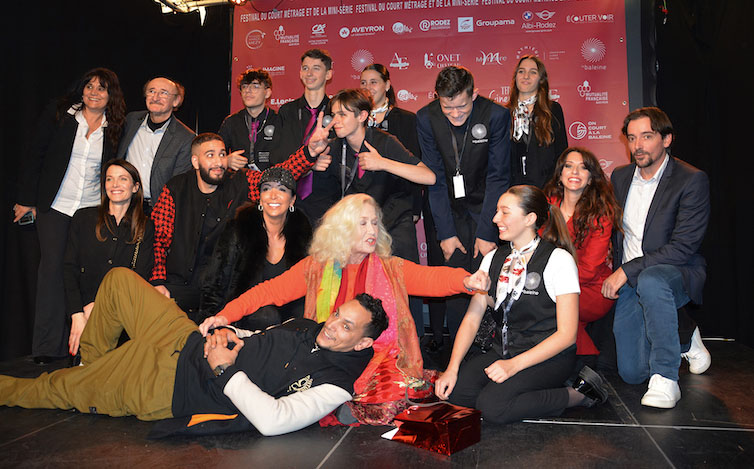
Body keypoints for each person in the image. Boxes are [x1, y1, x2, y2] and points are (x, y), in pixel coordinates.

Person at [199, 194, 490, 425]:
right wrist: (226, 315)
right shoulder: (316, 267)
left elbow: (430, 279)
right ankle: (342, 401)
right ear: (343, 228)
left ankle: (343, 401)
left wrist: (465, 280)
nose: (372, 230)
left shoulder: (390, 268)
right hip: (325, 353)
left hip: (376, 355)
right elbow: (269, 291)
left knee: (398, 389)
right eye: (362, 223)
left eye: (375, 223)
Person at [0, 268, 386, 437]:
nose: (332, 324)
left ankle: (85, 381)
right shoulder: (307, 325)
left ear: (364, 343)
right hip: (183, 338)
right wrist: (230, 331)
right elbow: (261, 336)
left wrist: (225, 369)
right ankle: (93, 369)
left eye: (346, 326)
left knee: (53, 388)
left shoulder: (336, 384)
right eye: (337, 314)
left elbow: (274, 420)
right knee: (119, 282)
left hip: (171, 384)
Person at [435, 185, 608, 423]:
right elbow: (473, 317)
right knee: (456, 393)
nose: (495, 219)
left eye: (505, 212)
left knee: (493, 408)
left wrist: (513, 366)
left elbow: (567, 336)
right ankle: (517, 390)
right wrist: (452, 368)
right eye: (497, 211)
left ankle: (576, 395)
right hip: (503, 351)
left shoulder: (558, 260)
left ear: (530, 219)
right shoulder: (493, 258)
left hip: (549, 357)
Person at [150, 122, 332, 321]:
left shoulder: (240, 181)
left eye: (222, 154)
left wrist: (308, 152)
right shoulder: (175, 188)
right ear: (195, 161)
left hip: (223, 290)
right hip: (179, 285)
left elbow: (276, 181)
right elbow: (158, 238)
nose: (219, 162)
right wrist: (158, 281)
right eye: (210, 155)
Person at [602, 107, 711, 409]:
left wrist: (627, 270)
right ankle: (685, 335)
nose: (637, 146)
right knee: (633, 373)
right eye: (632, 138)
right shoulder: (621, 177)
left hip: (675, 271)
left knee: (651, 280)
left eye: (647, 137)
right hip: (631, 279)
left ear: (666, 139)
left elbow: (683, 247)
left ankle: (666, 378)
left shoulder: (691, 180)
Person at [15, 68, 126, 363]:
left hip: (91, 209)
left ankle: (88, 348)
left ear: (110, 95)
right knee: (51, 272)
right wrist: (26, 201)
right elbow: (35, 155)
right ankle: (46, 348)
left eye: (101, 89)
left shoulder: (115, 125)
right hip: (56, 207)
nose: (93, 92)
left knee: (87, 275)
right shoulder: (61, 115)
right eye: (88, 86)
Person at [417, 65, 511, 344]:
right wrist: (445, 233)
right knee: (456, 281)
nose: (456, 114)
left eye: (462, 106)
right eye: (448, 107)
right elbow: (434, 177)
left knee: (488, 281)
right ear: (437, 98)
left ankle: (490, 348)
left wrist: (486, 233)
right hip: (447, 209)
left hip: (487, 209)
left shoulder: (495, 115)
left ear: (475, 94)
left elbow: (498, 176)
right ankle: (460, 354)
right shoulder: (426, 118)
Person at [360, 64, 429, 339]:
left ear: (387, 85)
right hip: (366, 213)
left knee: (404, 279)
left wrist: (416, 207)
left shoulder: (406, 119)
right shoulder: (355, 122)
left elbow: (417, 166)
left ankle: (415, 344)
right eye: (363, 82)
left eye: (374, 82)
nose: (368, 87)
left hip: (399, 209)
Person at [199, 167, 312, 330]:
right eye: (266, 189)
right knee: (266, 315)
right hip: (244, 311)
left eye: (282, 189)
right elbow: (215, 282)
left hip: (287, 311)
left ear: (292, 200)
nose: (273, 195)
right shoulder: (239, 228)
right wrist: (211, 324)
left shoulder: (303, 233)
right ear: (260, 198)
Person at [64, 159, 154, 357]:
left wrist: (102, 308)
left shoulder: (145, 227)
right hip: (83, 314)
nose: (115, 185)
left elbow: (139, 278)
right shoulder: (83, 218)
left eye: (123, 179)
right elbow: (69, 269)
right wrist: (78, 313)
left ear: (135, 187)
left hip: (123, 319)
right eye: (109, 179)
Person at [543, 148, 621, 357]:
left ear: (590, 179)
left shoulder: (601, 213)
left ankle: (585, 360)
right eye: (569, 166)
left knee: (544, 301)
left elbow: (589, 269)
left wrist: (548, 283)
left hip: (593, 288)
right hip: (555, 283)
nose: (575, 172)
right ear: (560, 174)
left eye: (583, 168)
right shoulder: (547, 205)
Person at [116, 76, 195, 208]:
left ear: (176, 101)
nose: (156, 97)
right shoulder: (131, 121)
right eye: (151, 91)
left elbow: (179, 183)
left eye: (164, 93)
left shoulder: (185, 137)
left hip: (157, 209)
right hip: (124, 203)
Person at [277, 48, 334, 225]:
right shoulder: (287, 111)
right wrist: (309, 163)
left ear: (328, 74)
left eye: (316, 68)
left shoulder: (337, 111)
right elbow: (280, 154)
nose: (309, 73)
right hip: (291, 196)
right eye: (305, 68)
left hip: (327, 198)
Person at [507, 55, 568, 188]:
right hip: (512, 191)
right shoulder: (504, 113)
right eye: (521, 71)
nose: (526, 76)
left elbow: (561, 153)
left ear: (541, 79)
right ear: (516, 77)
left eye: (533, 72)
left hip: (546, 189)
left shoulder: (552, 110)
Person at [219, 68, 283, 172]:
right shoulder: (231, 122)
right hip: (239, 183)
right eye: (244, 86)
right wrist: (226, 160)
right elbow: (215, 154)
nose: (248, 90)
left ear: (267, 93)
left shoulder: (279, 120)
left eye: (255, 86)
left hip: (271, 183)